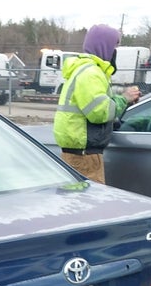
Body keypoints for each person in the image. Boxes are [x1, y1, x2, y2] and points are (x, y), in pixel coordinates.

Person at [52, 24, 141, 184]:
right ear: (104, 46)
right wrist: (125, 98)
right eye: (114, 46)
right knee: (88, 204)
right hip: (85, 156)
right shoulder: (91, 73)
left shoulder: (85, 70)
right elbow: (99, 112)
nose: (115, 51)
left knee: (78, 202)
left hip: (81, 152)